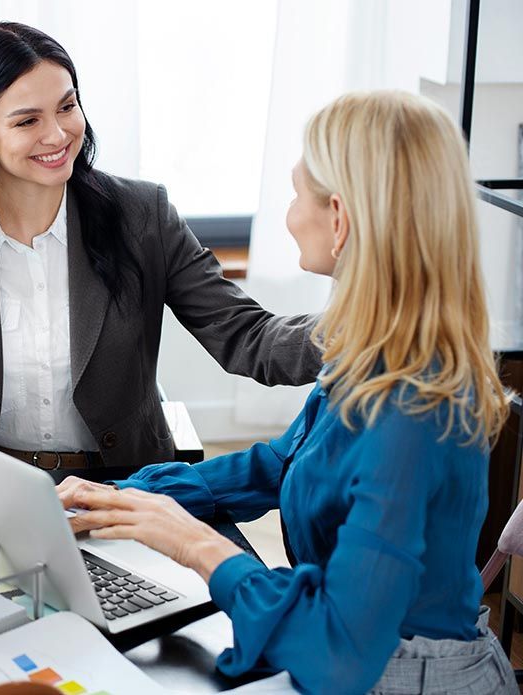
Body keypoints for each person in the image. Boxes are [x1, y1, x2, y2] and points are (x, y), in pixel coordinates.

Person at [57, 91, 516, 694]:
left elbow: (340, 653)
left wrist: (195, 544)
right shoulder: (376, 350)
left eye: (297, 193)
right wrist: (128, 498)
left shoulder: (413, 409)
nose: (289, 215)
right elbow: (285, 463)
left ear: (341, 217)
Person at [0, 22, 320, 491]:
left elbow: (247, 337)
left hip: (125, 485)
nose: (58, 135)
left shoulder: (142, 215)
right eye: (27, 120)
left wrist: (367, 327)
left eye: (67, 106)